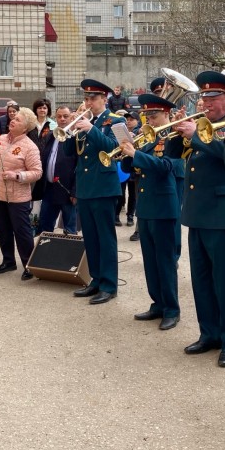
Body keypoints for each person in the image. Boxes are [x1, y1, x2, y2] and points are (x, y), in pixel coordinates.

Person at [173, 71, 225, 368]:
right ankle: (209, 334)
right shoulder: (201, 122)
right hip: (199, 211)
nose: (206, 102)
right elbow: (174, 154)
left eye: (213, 98)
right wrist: (178, 132)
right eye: (204, 97)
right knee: (201, 279)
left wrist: (195, 135)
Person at [120, 93, 183, 330]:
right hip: (146, 207)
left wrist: (135, 154)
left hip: (164, 208)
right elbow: (130, 168)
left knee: (165, 261)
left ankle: (171, 309)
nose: (149, 119)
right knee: (150, 260)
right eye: (146, 115)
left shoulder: (172, 137)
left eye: (154, 115)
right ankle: (157, 303)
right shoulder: (147, 137)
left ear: (166, 114)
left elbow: (166, 166)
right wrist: (127, 149)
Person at [65, 79, 126, 304]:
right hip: (85, 187)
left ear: (104, 99)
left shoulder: (116, 120)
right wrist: (71, 129)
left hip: (104, 187)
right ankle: (96, 280)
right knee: (89, 237)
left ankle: (109, 285)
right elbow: (69, 151)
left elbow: (116, 148)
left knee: (105, 238)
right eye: (86, 98)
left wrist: (91, 129)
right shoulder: (84, 121)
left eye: (93, 98)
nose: (88, 102)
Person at [0, 107, 43, 279]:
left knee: (22, 232)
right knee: (3, 229)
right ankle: (8, 261)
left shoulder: (30, 147)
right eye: (13, 118)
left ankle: (29, 265)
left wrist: (17, 175)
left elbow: (37, 172)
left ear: (25, 128)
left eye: (17, 120)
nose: (12, 121)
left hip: (18, 197)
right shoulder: (0, 139)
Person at [36, 105, 78, 235]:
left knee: (70, 230)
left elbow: (79, 167)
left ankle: (70, 255)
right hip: (49, 189)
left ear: (72, 117)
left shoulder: (76, 138)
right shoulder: (50, 136)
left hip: (67, 191)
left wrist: (75, 191)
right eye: (59, 116)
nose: (62, 119)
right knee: (45, 227)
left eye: (66, 116)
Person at [116, 111, 140, 227]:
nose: (129, 121)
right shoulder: (122, 132)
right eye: (127, 119)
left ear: (137, 121)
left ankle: (130, 216)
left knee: (133, 194)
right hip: (123, 165)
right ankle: (116, 215)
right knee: (120, 192)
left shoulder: (140, 131)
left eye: (132, 119)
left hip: (135, 167)